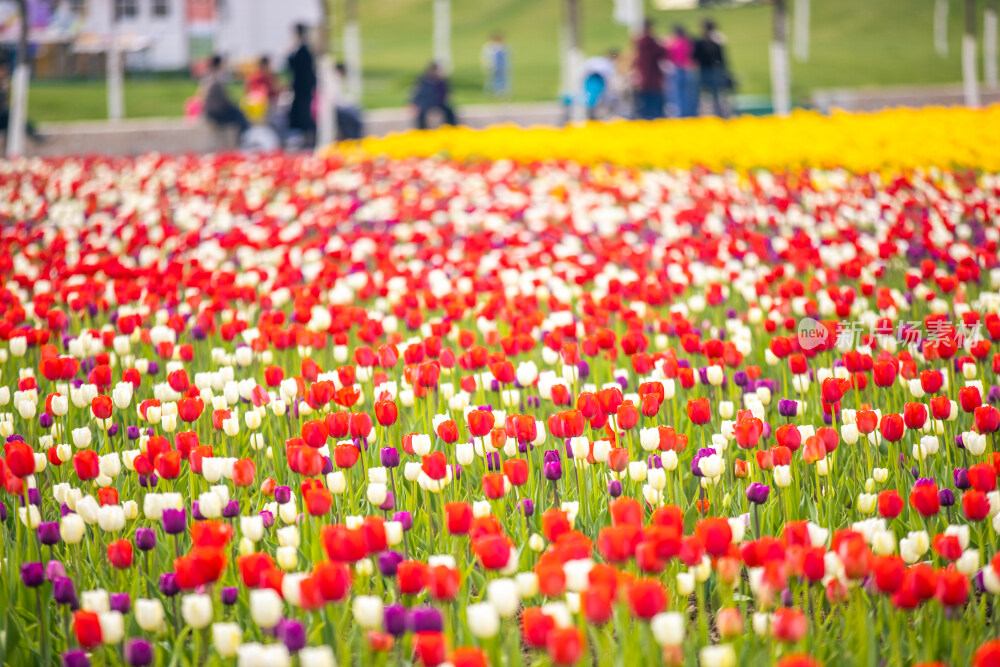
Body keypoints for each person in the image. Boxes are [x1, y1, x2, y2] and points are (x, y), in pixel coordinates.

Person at [200, 55, 250, 137]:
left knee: (237, 112)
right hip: (216, 113)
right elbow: (225, 100)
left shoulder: (208, 76)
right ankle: (245, 137)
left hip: (208, 112)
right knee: (239, 114)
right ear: (219, 64)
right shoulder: (218, 78)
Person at [693, 19, 730, 118]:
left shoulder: (705, 42)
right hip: (710, 70)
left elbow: (695, 57)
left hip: (709, 70)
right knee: (712, 94)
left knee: (712, 94)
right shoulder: (712, 42)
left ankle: (715, 114)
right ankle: (715, 114)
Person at [0, 60, 43, 144]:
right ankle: (34, 134)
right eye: (3, 70)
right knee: (11, 114)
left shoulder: (4, 84)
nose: (5, 72)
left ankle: (33, 133)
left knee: (12, 117)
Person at [287, 23, 317, 144]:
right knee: (301, 112)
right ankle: (305, 137)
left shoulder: (303, 50)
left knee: (304, 113)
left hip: (303, 88)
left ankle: (309, 137)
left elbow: (292, 63)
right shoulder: (303, 49)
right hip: (301, 88)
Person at [632, 19, 667, 120]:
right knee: (653, 101)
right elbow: (661, 53)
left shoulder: (641, 41)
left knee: (646, 102)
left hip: (645, 76)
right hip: (651, 77)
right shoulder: (650, 41)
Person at [411, 62, 456, 130]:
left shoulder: (441, 81)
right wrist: (415, 104)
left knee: (449, 112)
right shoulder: (425, 80)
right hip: (427, 103)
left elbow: (446, 93)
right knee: (421, 114)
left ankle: (450, 128)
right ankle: (422, 130)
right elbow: (418, 93)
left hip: (439, 103)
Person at [666, 25, 698, 118]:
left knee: (678, 92)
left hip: (678, 69)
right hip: (689, 68)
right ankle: (689, 112)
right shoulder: (688, 42)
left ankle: (681, 112)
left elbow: (669, 55)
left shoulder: (674, 43)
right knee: (688, 92)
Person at [335, 62, 364, 140]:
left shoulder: (338, 81)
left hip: (340, 107)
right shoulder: (334, 81)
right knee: (352, 116)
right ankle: (354, 138)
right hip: (335, 109)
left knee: (357, 111)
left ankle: (355, 138)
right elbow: (336, 100)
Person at [480, 32, 509, 97]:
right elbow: (486, 57)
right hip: (492, 66)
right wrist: (487, 65)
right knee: (490, 79)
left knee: (500, 78)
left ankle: (499, 91)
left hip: (499, 66)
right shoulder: (489, 47)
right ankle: (489, 91)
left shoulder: (500, 47)